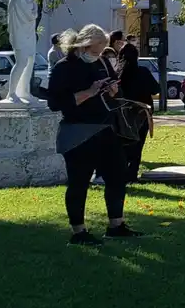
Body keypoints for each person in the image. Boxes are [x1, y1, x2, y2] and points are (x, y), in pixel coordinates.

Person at [47, 24, 142, 246]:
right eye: (98, 48)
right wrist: (88, 92)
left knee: (118, 175)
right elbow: (55, 103)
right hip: (77, 131)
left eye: (103, 49)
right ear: (86, 44)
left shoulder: (101, 62)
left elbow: (116, 91)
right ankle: (78, 231)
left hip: (106, 128)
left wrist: (113, 90)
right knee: (79, 182)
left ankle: (116, 225)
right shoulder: (65, 67)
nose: (100, 54)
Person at [117, 43, 159, 183]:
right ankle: (132, 174)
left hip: (123, 113)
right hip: (141, 112)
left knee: (123, 144)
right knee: (138, 145)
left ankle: (121, 173)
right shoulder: (143, 72)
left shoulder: (117, 73)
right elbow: (155, 89)